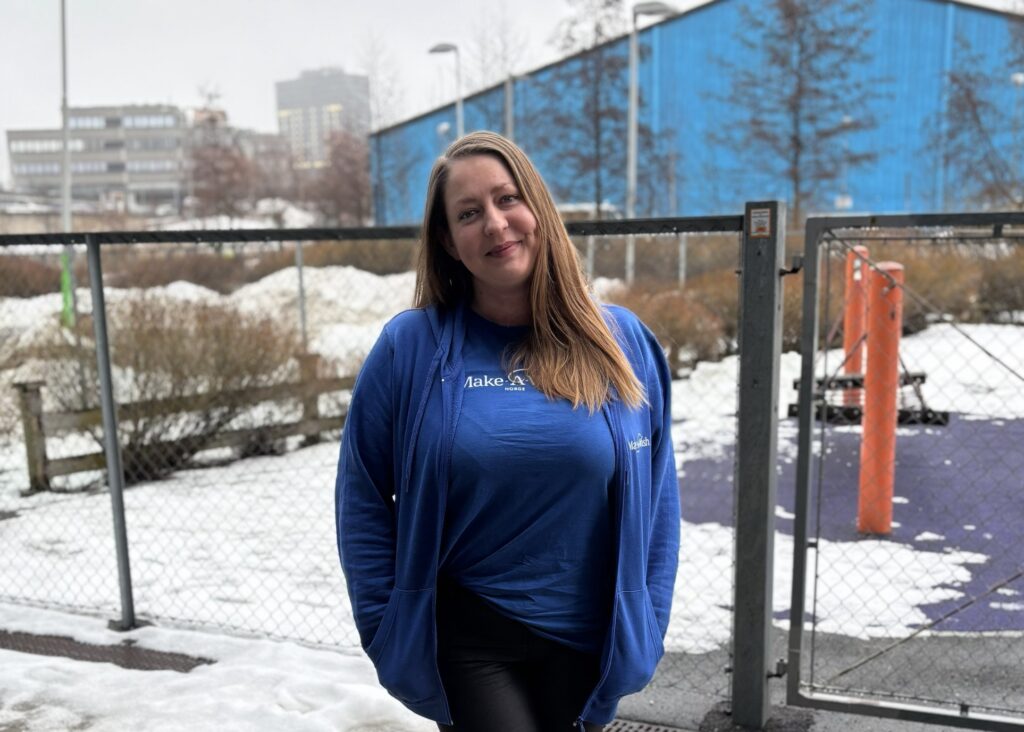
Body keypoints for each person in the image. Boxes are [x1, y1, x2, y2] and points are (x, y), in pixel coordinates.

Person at [335, 131, 679, 732]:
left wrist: (645, 619)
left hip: (588, 637)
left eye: (507, 199)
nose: (495, 224)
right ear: (449, 240)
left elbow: (658, 500)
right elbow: (362, 494)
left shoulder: (623, 343)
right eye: (469, 213)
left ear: (537, 208)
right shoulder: (410, 349)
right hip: (466, 632)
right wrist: (385, 620)